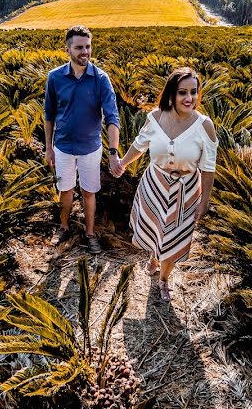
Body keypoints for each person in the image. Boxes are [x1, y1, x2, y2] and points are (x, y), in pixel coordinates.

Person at [111, 67, 218, 301]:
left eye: (194, 92)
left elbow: (208, 168)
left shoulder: (204, 126)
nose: (189, 98)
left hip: (187, 190)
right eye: (183, 92)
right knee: (157, 229)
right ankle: (153, 258)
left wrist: (205, 201)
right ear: (171, 94)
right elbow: (139, 145)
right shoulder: (156, 117)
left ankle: (163, 279)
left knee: (175, 235)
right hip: (155, 184)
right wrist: (123, 163)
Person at [44, 25, 121, 254]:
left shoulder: (101, 79)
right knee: (65, 190)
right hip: (63, 148)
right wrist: (49, 148)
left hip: (91, 148)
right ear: (68, 49)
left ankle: (89, 233)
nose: (85, 52)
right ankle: (64, 227)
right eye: (79, 47)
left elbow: (112, 116)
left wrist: (113, 152)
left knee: (89, 192)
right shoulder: (55, 78)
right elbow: (48, 115)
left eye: (88, 46)